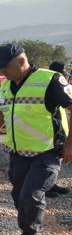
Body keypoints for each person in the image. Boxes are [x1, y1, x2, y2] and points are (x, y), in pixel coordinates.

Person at [0, 44, 72, 235]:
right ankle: (29, 233)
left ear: (21, 62)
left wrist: (69, 144)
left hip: (47, 151)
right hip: (18, 151)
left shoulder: (50, 80)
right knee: (18, 195)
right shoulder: (6, 85)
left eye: (6, 67)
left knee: (31, 194)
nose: (3, 72)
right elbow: (2, 113)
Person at [45, 61, 72, 198]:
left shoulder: (63, 88)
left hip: (62, 129)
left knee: (57, 162)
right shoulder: (52, 85)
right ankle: (47, 187)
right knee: (51, 162)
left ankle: (51, 184)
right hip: (52, 132)